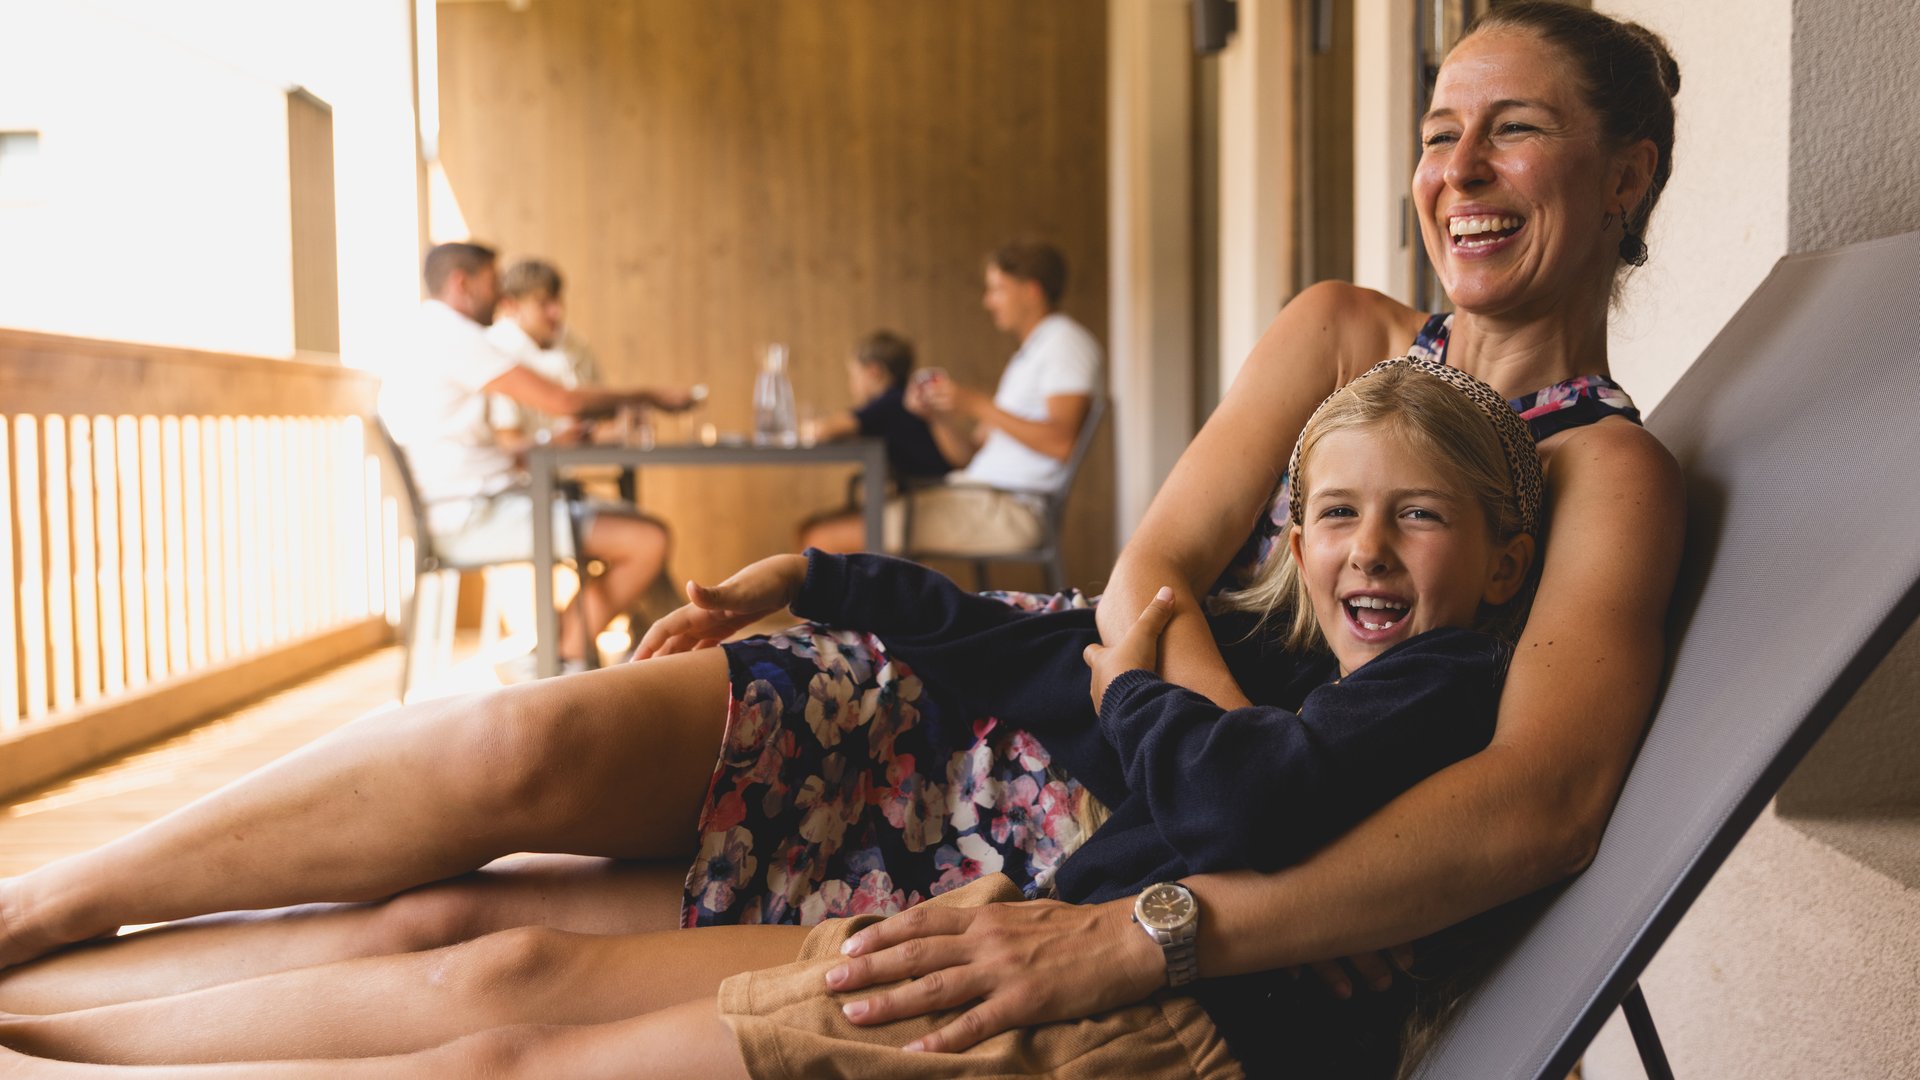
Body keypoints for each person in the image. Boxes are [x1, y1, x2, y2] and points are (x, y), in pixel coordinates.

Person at [0, 4, 1685, 1076]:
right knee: (519, 737)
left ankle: (50, 1027)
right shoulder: (1344, 331)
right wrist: (1210, 732)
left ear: (1626, 176)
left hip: (1059, 869)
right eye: (1438, 131)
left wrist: (1175, 816)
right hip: (986, 712)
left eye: (1514, 128)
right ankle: (41, 905)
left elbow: (1536, 802)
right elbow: (1135, 580)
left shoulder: (1599, 475)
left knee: (486, 947)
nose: (1460, 168)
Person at [0, 357, 1542, 1076]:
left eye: (1413, 518)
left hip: (1048, 908)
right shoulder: (1339, 469)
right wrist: (820, 575)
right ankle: (42, 936)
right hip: (1018, 817)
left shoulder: (1448, 654)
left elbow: (1221, 766)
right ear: (1296, 524)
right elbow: (1085, 617)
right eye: (1330, 515)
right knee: (502, 820)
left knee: (495, 960)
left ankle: (53, 1026)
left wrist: (1146, 666)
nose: (1363, 549)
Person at [380, 242, 694, 669]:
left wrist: (547, 446)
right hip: (471, 516)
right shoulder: (454, 336)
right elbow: (562, 400)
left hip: (475, 504)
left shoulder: (425, 332)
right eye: (493, 282)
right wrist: (651, 395)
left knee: (638, 531)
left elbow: (479, 445)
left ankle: (639, 654)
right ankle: (559, 658)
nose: (500, 296)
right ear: (461, 283)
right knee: (648, 541)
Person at [800, 241, 1102, 557]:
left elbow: (1061, 443)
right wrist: (939, 417)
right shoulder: (1028, 356)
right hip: (977, 495)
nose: (988, 301)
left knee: (820, 538)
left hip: (1008, 510)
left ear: (1031, 291)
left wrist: (978, 405)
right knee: (818, 528)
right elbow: (966, 457)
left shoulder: (1065, 343)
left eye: (998, 289)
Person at [795, 330, 952, 546]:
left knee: (815, 535)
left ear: (874, 372)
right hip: (923, 496)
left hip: (927, 502)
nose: (852, 384)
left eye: (853, 375)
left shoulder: (891, 403)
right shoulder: (903, 399)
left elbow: (824, 431)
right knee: (811, 527)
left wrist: (809, 426)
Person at [484, 258, 603, 447]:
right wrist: (552, 440)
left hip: (560, 469)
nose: (556, 312)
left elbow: (602, 421)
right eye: (543, 303)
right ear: (510, 305)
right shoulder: (494, 350)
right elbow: (507, 441)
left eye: (558, 300)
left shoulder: (574, 345)